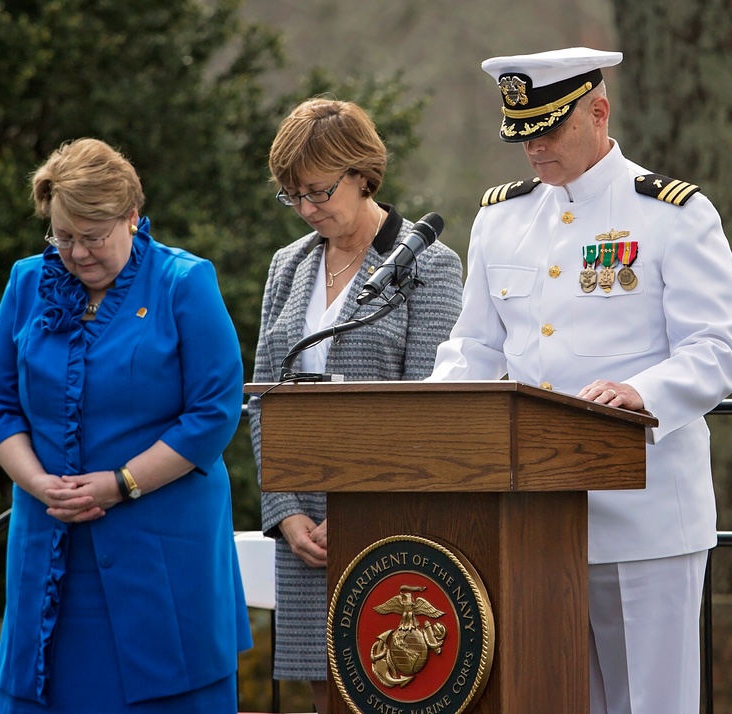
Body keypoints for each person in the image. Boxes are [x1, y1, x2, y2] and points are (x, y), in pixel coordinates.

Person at [429, 48, 732, 713]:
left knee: (651, 703)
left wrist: (644, 393)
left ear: (599, 112)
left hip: (646, 516)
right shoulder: (500, 218)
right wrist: (440, 408)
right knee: (554, 696)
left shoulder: (672, 214)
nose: (533, 149)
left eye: (548, 129)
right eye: (522, 134)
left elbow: (716, 351)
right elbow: (476, 344)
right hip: (535, 516)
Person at [0, 138, 251, 712]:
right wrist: (38, 482)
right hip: (49, 544)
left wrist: (122, 482)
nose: (76, 253)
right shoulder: (27, 283)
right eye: (62, 236)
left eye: (92, 236)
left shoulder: (185, 283)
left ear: (131, 217)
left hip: (162, 564)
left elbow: (214, 412)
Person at [249, 98, 463, 713]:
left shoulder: (430, 265)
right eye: (292, 196)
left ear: (362, 174)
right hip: (305, 530)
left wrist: (363, 508)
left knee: (399, 689)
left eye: (317, 192)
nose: (307, 209)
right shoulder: (288, 266)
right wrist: (285, 510)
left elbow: (430, 409)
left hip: (390, 520)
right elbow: (264, 396)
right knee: (327, 690)